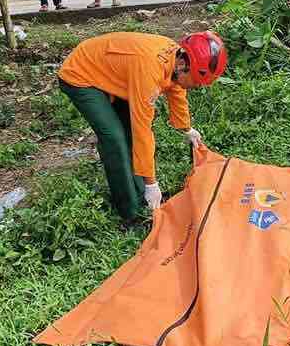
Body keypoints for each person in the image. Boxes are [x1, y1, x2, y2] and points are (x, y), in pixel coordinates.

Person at [57, 31, 228, 225]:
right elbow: (143, 129)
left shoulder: (176, 59)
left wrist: (186, 128)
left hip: (112, 72)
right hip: (81, 74)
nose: (197, 87)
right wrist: (151, 183)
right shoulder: (150, 70)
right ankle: (130, 212)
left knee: (128, 133)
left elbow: (177, 89)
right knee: (115, 138)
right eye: (197, 82)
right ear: (182, 65)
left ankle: (139, 195)